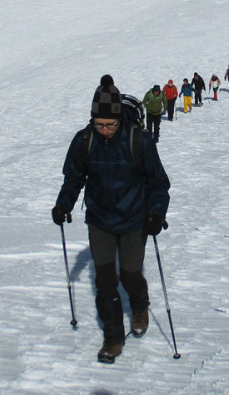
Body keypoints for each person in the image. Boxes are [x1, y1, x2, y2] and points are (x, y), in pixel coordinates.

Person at [52, 76, 171, 363]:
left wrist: (156, 213)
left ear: (120, 119)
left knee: (130, 274)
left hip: (133, 219)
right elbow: (74, 177)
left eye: (110, 124)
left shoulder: (137, 140)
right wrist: (63, 204)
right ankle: (113, 337)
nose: (104, 130)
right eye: (99, 124)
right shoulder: (85, 140)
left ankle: (139, 305)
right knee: (105, 282)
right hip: (99, 220)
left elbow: (158, 183)